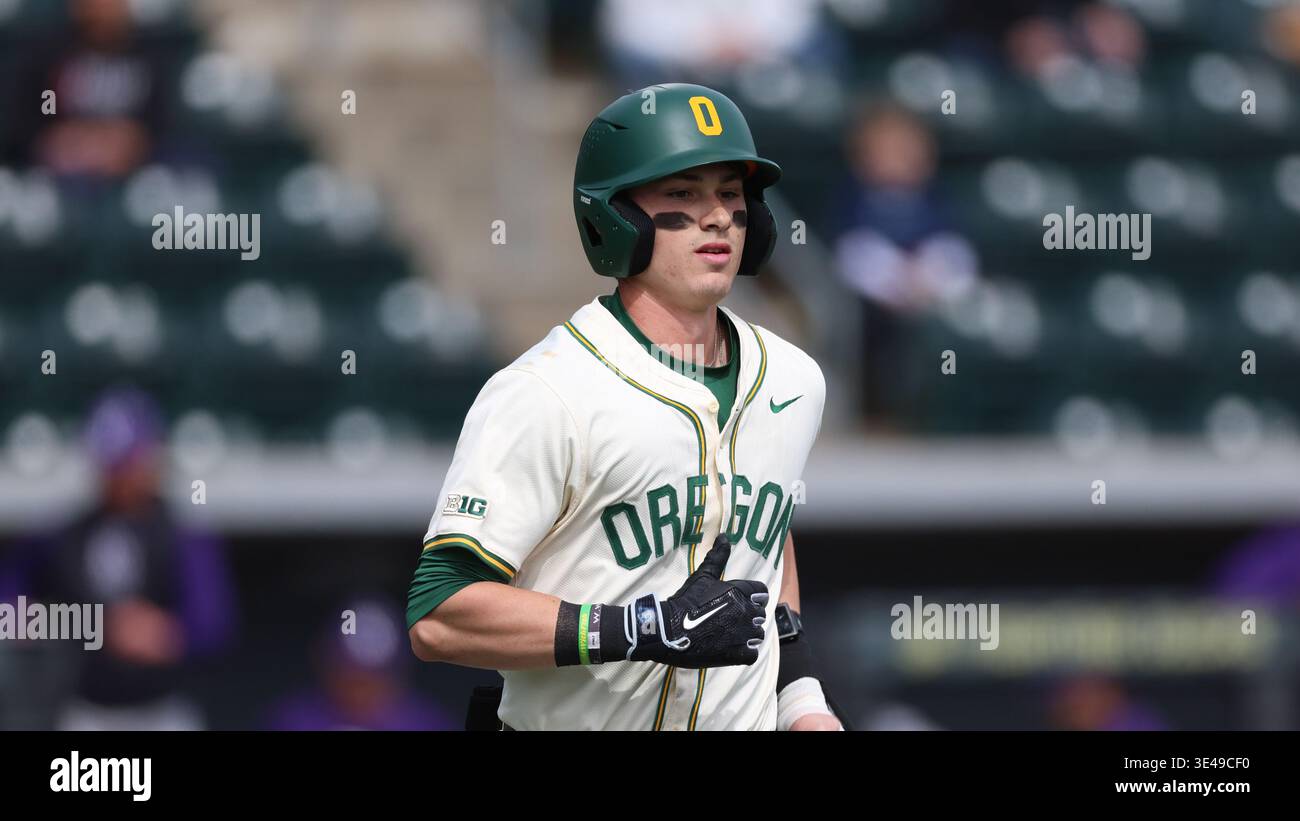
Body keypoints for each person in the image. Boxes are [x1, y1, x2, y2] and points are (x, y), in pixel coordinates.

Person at [407, 84, 839, 731]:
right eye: (683, 195)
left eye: (729, 193)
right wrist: (640, 626)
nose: (717, 216)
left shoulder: (795, 378)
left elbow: (764, 547)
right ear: (614, 216)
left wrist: (803, 704)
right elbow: (439, 614)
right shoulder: (547, 391)